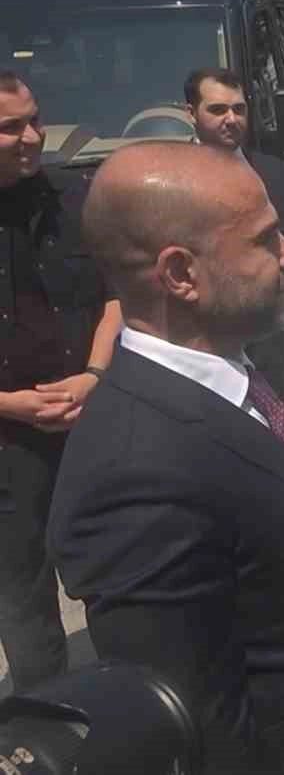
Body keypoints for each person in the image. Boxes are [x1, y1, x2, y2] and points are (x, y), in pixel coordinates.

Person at [49, 142, 284, 773]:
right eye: (263, 240)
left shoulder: (239, 377)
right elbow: (205, 734)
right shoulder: (131, 474)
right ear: (181, 274)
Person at [0, 72, 121, 694]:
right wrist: (11, 405)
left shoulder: (75, 197)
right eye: (10, 127)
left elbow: (114, 297)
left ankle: (131, 697)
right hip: (7, 442)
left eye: (35, 120)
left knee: (114, 570)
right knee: (21, 592)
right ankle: (46, 715)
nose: (32, 137)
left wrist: (93, 376)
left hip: (88, 420)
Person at [184, 67, 284, 403]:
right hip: (216, 343)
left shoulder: (271, 171)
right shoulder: (176, 180)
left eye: (239, 109)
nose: (231, 119)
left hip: (281, 336)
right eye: (217, 109)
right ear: (191, 113)